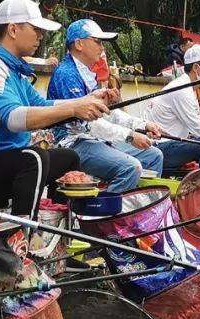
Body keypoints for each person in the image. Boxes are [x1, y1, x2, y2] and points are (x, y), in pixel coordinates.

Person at [0, 0, 110, 216]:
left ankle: (60, 223)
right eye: (36, 29)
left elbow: (41, 105)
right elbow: (13, 119)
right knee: (34, 158)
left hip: (8, 162)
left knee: (67, 158)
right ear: (13, 30)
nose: (41, 36)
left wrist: (84, 102)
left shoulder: (14, 69)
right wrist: (73, 109)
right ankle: (22, 235)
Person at [48, 19, 164, 193]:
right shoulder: (67, 74)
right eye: (97, 41)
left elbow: (107, 114)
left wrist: (142, 125)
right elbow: (90, 123)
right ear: (79, 44)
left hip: (94, 140)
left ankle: (140, 209)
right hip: (72, 143)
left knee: (154, 155)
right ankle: (105, 216)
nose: (102, 48)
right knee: (130, 168)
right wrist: (130, 136)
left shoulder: (87, 73)